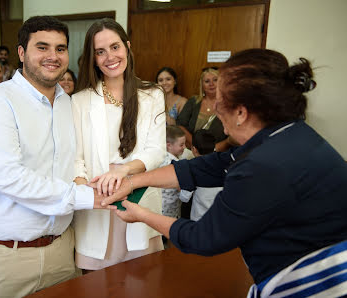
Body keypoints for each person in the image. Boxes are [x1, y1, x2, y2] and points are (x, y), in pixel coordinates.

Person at [102, 49, 347, 297]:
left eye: (219, 101)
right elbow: (206, 167)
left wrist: (142, 214)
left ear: (241, 113)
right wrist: (133, 181)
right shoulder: (289, 134)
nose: (215, 109)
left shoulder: (262, 166)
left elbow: (204, 238)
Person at [0, 16, 108, 297]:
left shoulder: (67, 103)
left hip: (61, 251)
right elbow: (11, 178)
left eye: (60, 48)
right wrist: (90, 197)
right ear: (21, 53)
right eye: (42, 47)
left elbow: (75, 160)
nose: (53, 56)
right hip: (1, 256)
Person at [72, 18, 166, 272]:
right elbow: (75, 158)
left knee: (143, 281)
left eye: (115, 47)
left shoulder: (152, 94)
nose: (109, 57)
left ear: (127, 47)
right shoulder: (79, 101)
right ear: (92, 58)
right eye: (100, 52)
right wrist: (89, 192)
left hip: (139, 194)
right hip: (98, 200)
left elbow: (157, 151)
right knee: (97, 283)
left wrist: (123, 172)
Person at [176, 67, 229, 150]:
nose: (211, 84)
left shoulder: (229, 104)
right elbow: (180, 125)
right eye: (207, 81)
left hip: (217, 152)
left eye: (215, 80)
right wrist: (197, 147)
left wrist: (212, 150)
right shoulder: (193, 101)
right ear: (202, 85)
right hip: (191, 150)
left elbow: (231, 137)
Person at [179, 129, 222, 221]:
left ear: (193, 149)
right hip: (219, 217)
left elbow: (184, 198)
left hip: (199, 219)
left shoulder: (192, 168)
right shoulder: (223, 161)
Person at [160, 125, 186, 219]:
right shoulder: (176, 165)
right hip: (170, 210)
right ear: (169, 145)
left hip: (160, 206)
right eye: (181, 145)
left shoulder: (159, 158)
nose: (184, 147)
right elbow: (183, 193)